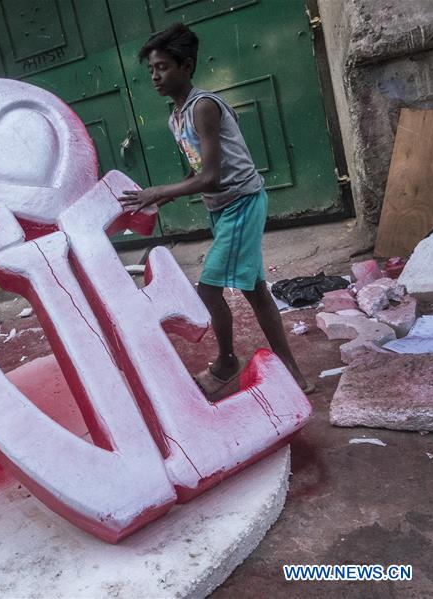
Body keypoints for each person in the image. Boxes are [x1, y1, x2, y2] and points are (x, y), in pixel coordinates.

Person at [120, 24, 313, 395]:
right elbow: (198, 168)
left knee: (209, 289)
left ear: (187, 66)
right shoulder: (176, 116)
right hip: (223, 208)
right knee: (255, 290)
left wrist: (158, 189)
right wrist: (164, 197)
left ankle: (227, 363)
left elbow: (211, 176)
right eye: (151, 70)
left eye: (163, 67)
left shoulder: (204, 106)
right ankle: (292, 372)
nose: (156, 77)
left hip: (241, 202)